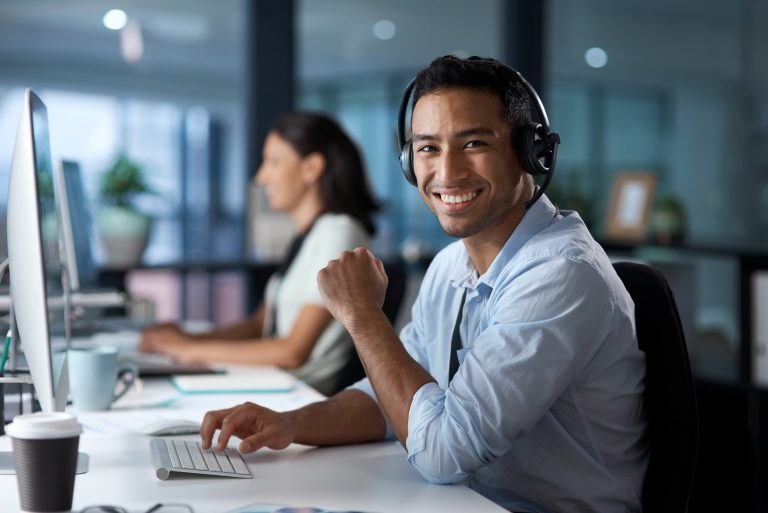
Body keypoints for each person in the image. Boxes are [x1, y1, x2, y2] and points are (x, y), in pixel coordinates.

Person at [199, 56, 648, 512]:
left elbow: (443, 453)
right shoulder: (452, 264)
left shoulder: (561, 275)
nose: (447, 172)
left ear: (531, 153)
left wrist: (362, 317)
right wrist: (290, 425)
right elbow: (387, 398)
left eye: (474, 143)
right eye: (428, 148)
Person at [139, 112, 379, 396]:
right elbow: (258, 325)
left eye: (274, 162)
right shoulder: (306, 237)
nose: (261, 176)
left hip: (298, 394)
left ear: (311, 167)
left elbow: (292, 351)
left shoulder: (339, 232)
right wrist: (187, 338)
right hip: (273, 382)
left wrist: (187, 349)